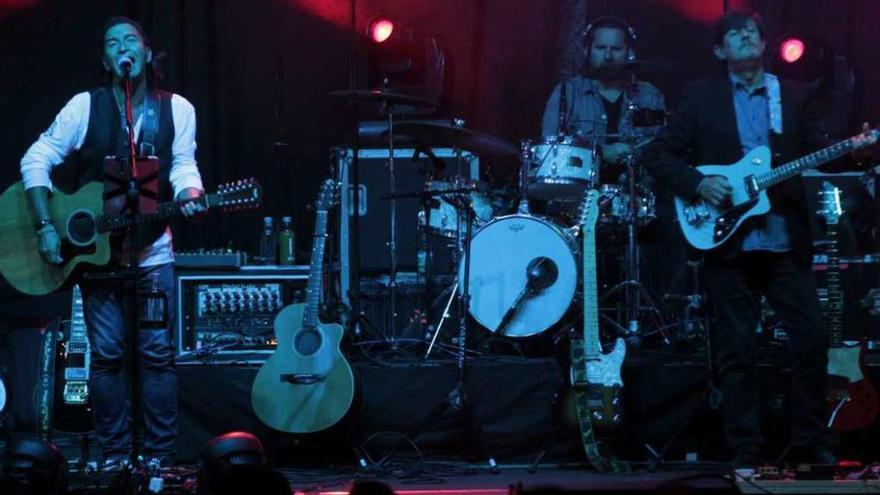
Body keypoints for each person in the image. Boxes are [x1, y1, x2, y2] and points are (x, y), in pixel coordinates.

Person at [643, 9, 876, 467]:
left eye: (751, 31)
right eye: (734, 33)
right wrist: (698, 185)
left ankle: (809, 445)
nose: (744, 37)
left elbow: (818, 155)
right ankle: (745, 454)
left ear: (763, 43)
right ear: (719, 50)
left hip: (785, 239)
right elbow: (657, 154)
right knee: (737, 353)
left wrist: (858, 150)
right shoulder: (701, 96)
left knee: (810, 341)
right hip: (727, 242)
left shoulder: (792, 95)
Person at [19, 16, 206, 467]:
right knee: (106, 358)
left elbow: (182, 163)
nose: (123, 47)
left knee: (157, 357)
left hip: (152, 252)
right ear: (107, 60)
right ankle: (115, 456)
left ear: (146, 53)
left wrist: (189, 192)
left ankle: (159, 457)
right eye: (112, 43)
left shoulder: (177, 108)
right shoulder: (85, 107)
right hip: (98, 258)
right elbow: (36, 158)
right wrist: (47, 225)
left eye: (131, 40)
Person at [541, 16, 665, 175]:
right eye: (600, 48)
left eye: (616, 49)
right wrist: (601, 152)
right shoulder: (567, 92)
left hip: (635, 191)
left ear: (630, 52)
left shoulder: (650, 96)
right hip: (581, 193)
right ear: (587, 50)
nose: (607, 56)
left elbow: (660, 148)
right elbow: (549, 151)